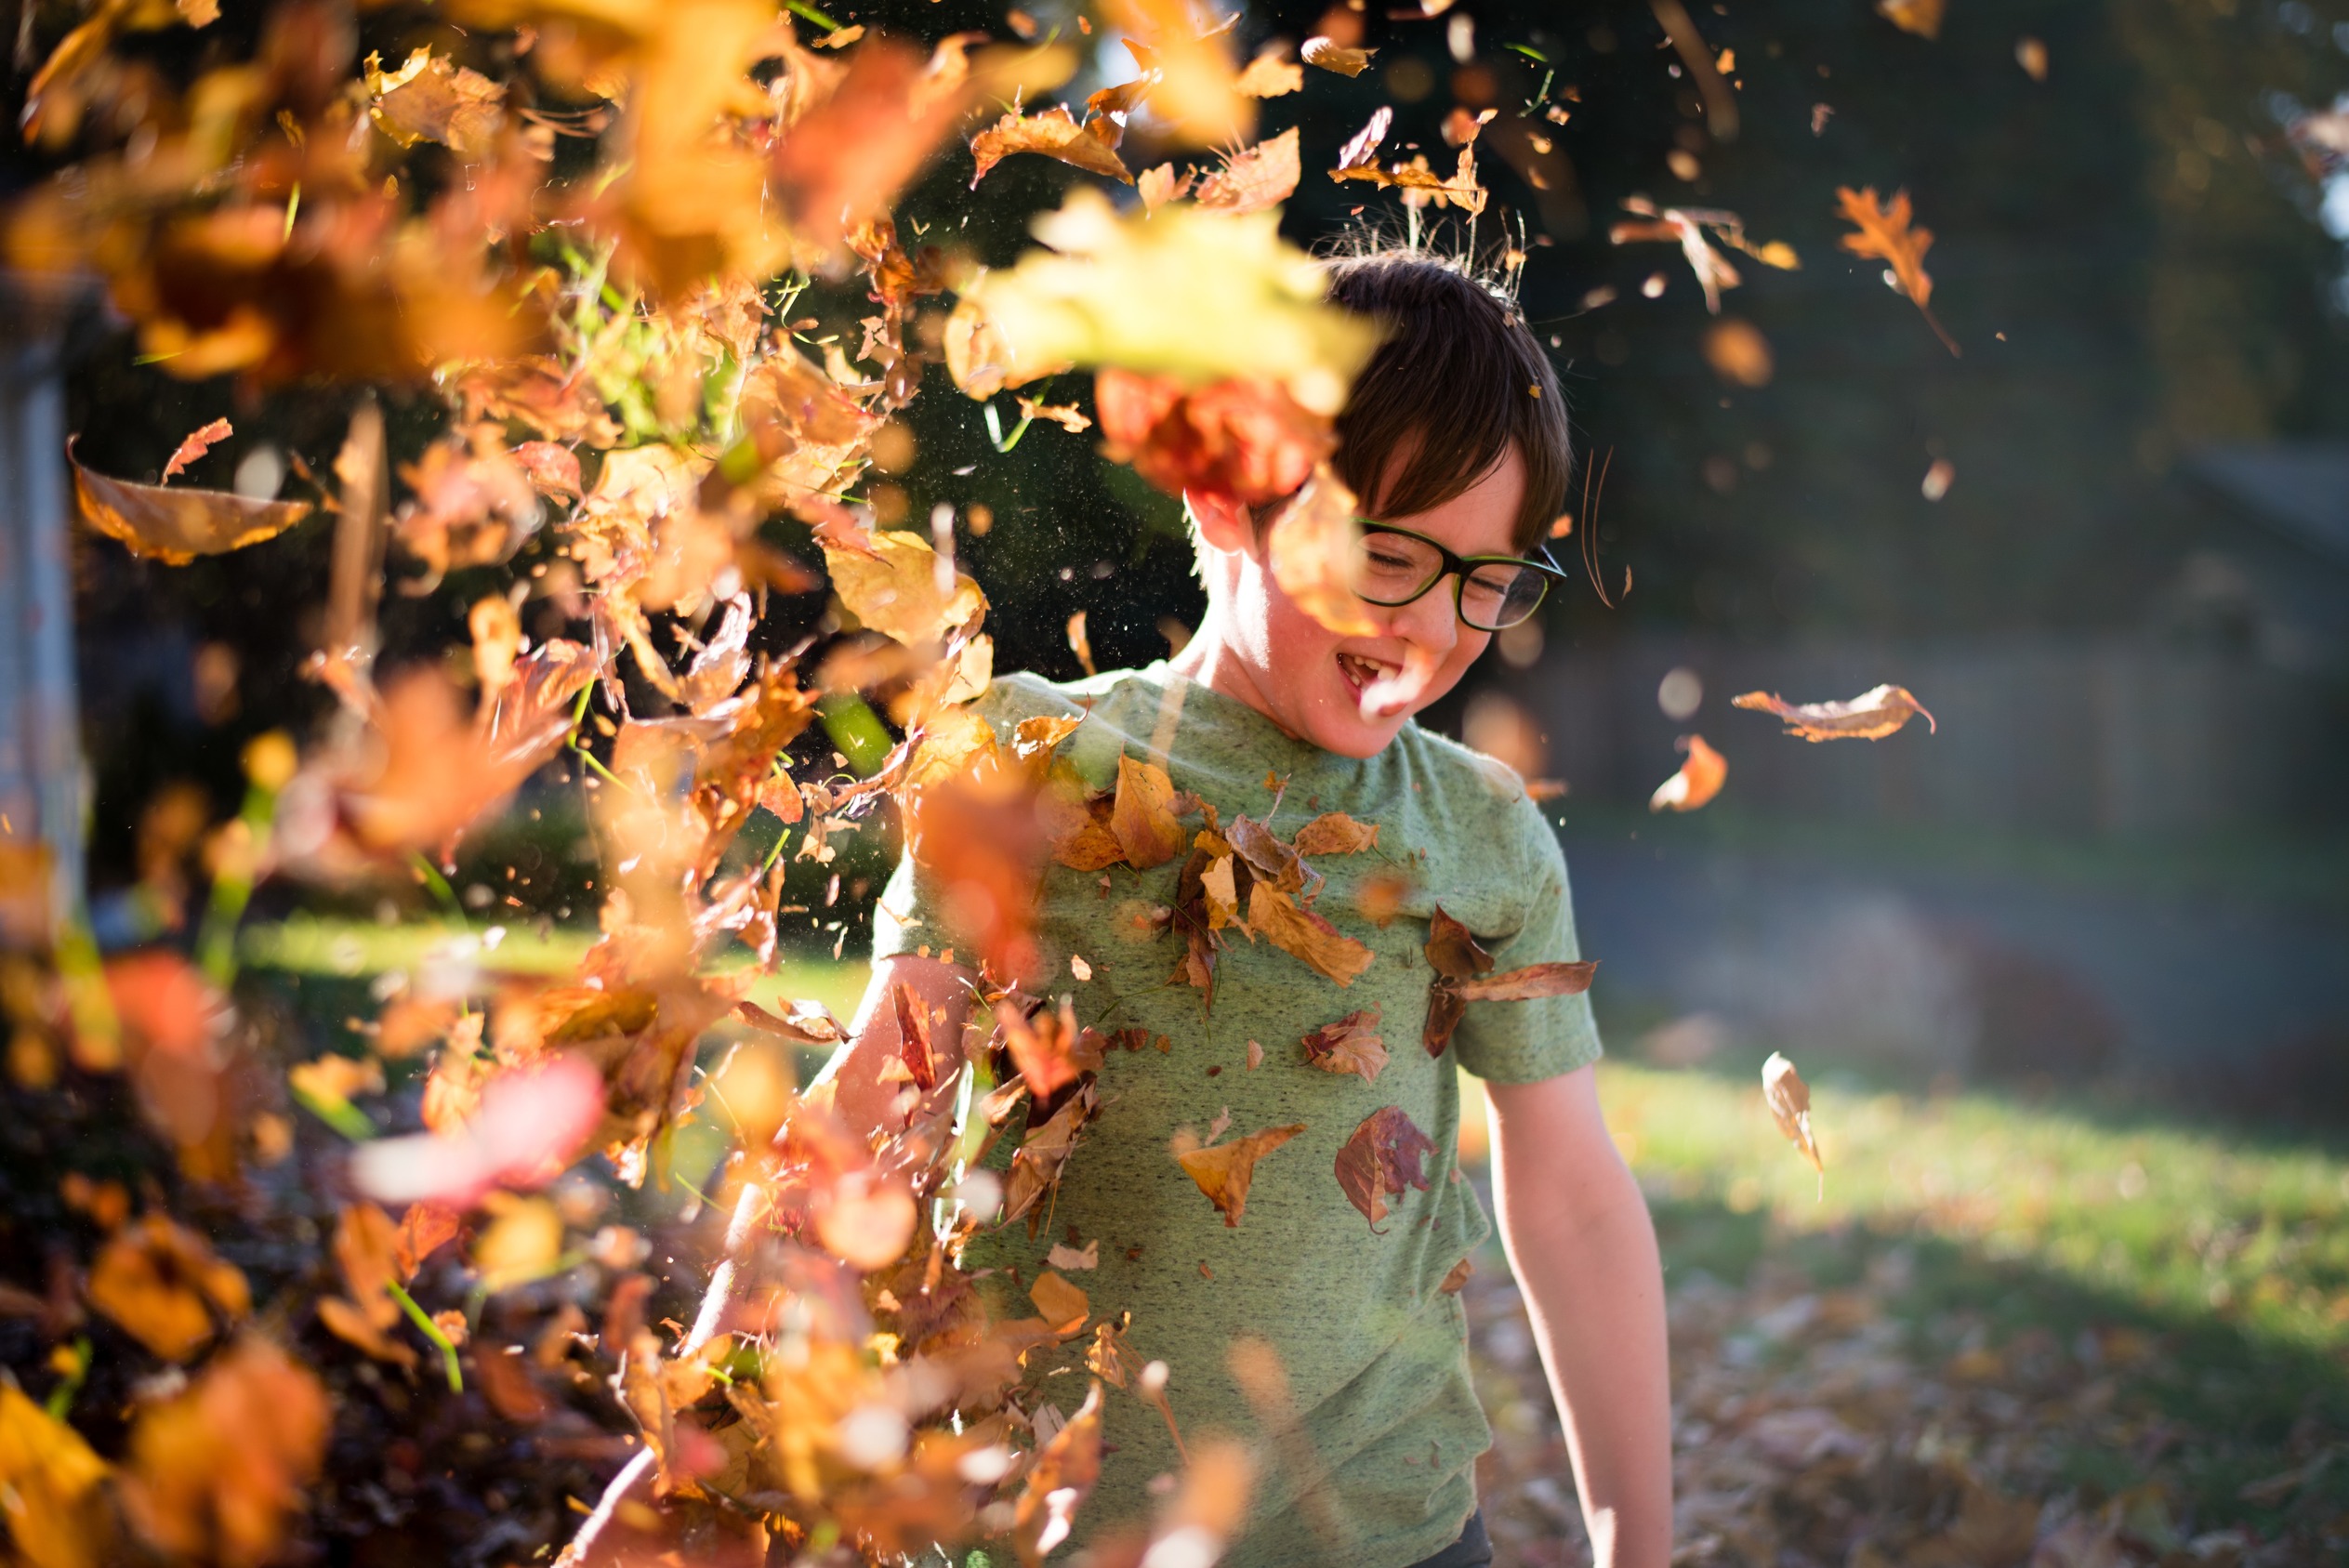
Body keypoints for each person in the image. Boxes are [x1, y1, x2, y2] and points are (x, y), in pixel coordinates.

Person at [825, 250, 1672, 1568]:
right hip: (1041, 1534)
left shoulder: (1480, 831)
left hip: (1384, 1535)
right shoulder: (1032, 761)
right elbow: (872, 1117)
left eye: (1487, 582)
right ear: (1226, 493)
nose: (1436, 627)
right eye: (1387, 552)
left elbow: (1569, 1198)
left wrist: (1641, 1545)